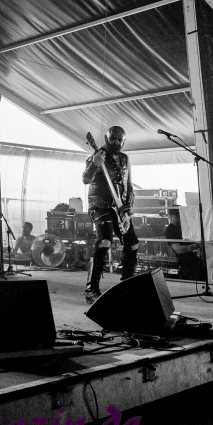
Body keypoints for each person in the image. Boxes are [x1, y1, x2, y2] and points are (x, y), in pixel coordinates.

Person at [83, 126, 139, 297]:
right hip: (100, 205)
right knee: (105, 242)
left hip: (120, 207)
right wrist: (94, 164)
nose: (116, 142)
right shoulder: (97, 155)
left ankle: (127, 283)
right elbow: (85, 179)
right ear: (106, 138)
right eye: (113, 138)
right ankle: (91, 288)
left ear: (124, 141)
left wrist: (129, 204)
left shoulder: (125, 159)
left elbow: (128, 184)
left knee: (133, 244)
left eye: (119, 140)